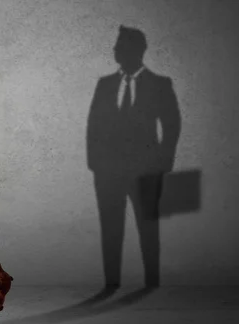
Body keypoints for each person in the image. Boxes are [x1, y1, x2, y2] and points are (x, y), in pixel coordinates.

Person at [87, 25, 181, 288]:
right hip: (107, 174)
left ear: (138, 50)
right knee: (111, 228)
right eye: (116, 46)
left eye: (121, 46)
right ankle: (111, 283)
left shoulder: (160, 84)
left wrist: (162, 164)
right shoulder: (105, 84)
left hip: (146, 171)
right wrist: (95, 165)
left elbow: (172, 125)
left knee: (148, 227)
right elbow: (93, 125)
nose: (116, 50)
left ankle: (152, 281)